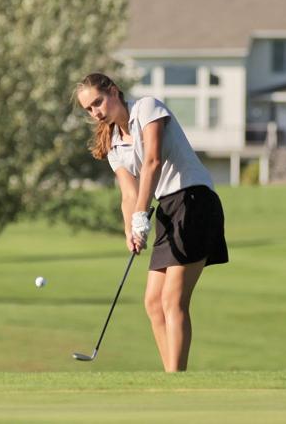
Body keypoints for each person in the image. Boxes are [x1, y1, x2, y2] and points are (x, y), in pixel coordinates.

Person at [74, 72, 229, 372]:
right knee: (153, 303)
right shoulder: (114, 145)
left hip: (194, 200)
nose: (95, 112)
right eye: (89, 109)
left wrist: (140, 215)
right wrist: (130, 230)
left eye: (98, 102)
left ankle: (176, 380)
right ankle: (170, 375)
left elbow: (152, 162)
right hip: (167, 210)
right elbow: (129, 194)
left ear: (114, 92)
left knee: (172, 300)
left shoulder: (147, 108)